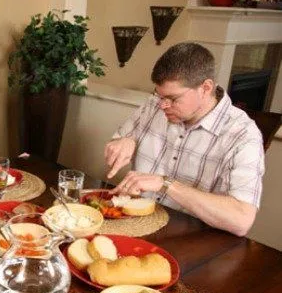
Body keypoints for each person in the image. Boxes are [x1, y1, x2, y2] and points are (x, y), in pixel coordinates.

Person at [105, 43, 264, 236]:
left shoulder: (243, 135)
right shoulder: (156, 104)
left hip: (194, 240)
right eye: (159, 95)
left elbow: (241, 220)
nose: (163, 105)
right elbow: (119, 141)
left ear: (205, 88)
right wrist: (126, 140)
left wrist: (166, 184)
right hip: (136, 225)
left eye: (173, 99)